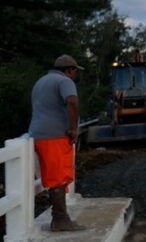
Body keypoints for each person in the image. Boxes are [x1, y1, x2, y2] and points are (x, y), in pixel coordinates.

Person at [28, 54, 86, 231]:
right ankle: (60, 220)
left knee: (51, 176)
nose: (75, 75)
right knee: (58, 178)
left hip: (37, 134)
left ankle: (60, 218)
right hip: (54, 136)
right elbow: (72, 102)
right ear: (70, 70)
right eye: (75, 71)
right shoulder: (65, 81)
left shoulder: (41, 81)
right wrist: (73, 128)